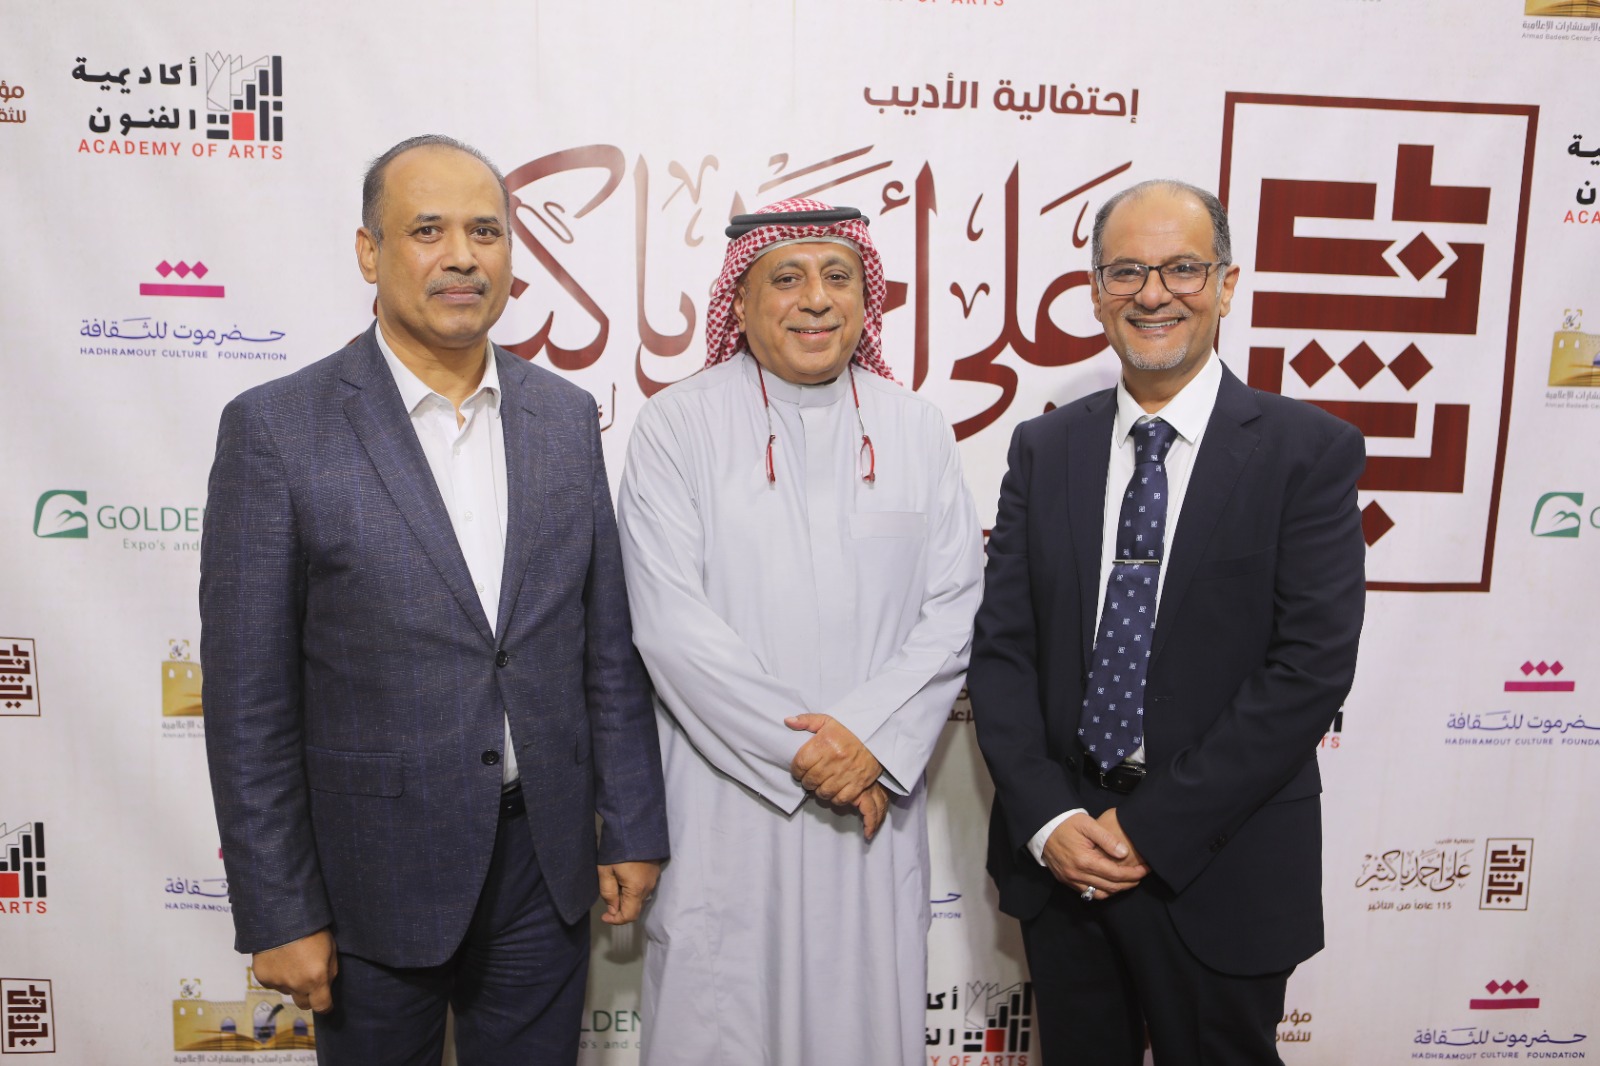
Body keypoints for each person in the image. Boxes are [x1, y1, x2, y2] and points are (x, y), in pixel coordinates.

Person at [200, 134, 668, 1065]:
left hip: (544, 869)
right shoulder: (277, 430)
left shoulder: (564, 416)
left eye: (485, 231)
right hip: (369, 880)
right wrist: (280, 909)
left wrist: (632, 825)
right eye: (427, 230)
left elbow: (605, 649)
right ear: (369, 252)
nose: (462, 256)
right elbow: (248, 702)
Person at [970, 179, 1366, 1065]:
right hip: (1062, 858)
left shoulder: (1307, 452)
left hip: (1221, 862)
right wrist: (1048, 818)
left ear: (1227, 284)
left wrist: (1151, 829)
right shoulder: (1045, 448)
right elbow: (1002, 654)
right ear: (1095, 291)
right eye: (1127, 272)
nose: (1153, 294)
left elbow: (1309, 668)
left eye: (1183, 269)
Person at [616, 198, 984, 1066]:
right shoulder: (677, 425)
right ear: (739, 304)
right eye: (787, 278)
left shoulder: (916, 427)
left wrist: (870, 741)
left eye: (838, 277)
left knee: (861, 1023)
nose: (816, 299)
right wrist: (811, 754)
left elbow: (954, 606)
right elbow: (671, 627)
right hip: (729, 802)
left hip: (871, 802)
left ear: (867, 297)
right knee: (723, 1021)